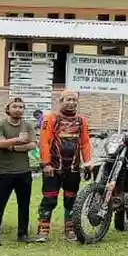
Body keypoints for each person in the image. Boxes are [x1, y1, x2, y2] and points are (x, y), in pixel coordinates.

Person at [36, 90, 92, 241]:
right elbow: (44, 142)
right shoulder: (50, 118)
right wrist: (46, 163)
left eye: (74, 100)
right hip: (53, 167)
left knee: (71, 199)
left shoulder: (82, 120)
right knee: (49, 198)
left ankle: (70, 229)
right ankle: (43, 229)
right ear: (60, 101)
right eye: (68, 99)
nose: (72, 103)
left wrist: (87, 163)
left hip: (73, 167)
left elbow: (85, 142)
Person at [0, 97, 37, 245]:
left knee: (24, 204)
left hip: (24, 171)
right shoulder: (0, 125)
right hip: (5, 172)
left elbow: (33, 145)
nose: (18, 109)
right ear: (8, 109)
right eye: (15, 107)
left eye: (21, 107)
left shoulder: (27, 125)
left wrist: (13, 147)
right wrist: (18, 140)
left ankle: (23, 234)